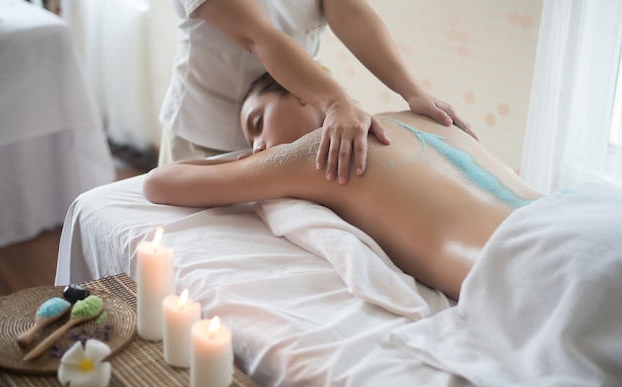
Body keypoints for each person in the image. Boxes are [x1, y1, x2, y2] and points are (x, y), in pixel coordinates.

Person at [144, 73, 543, 300]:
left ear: (302, 92)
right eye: (251, 143)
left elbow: (159, 183)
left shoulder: (317, 153)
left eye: (257, 123)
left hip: (521, 265)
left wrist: (242, 163)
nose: (257, 146)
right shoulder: (423, 116)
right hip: (565, 212)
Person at [158, 0, 478, 184]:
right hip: (205, 132)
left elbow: (350, 12)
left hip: (293, 132)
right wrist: (336, 101)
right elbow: (259, 35)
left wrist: (412, 90)